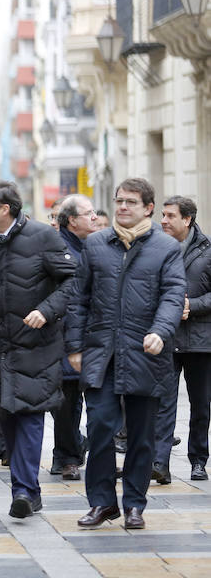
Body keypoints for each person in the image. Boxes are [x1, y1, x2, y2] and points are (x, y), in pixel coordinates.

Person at [67, 178, 186, 530]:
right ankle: (102, 503)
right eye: (119, 201)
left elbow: (173, 294)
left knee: (141, 435)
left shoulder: (166, 247)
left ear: (148, 207)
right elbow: (79, 299)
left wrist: (160, 332)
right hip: (102, 354)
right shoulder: (96, 245)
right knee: (100, 428)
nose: (122, 207)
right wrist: (75, 346)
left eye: (131, 202)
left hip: (146, 354)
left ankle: (135, 504)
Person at [0, 181, 77, 519]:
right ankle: (30, 491)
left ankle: (22, 489)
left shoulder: (44, 237)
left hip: (37, 344)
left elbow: (73, 281)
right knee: (5, 412)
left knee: (30, 412)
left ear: (5, 209)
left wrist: (47, 310)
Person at [156, 196, 211, 481]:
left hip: (201, 341)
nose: (163, 220)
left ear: (187, 220)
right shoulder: (154, 248)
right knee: (163, 402)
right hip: (164, 337)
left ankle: (198, 460)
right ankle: (160, 463)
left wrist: (193, 306)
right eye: (163, 215)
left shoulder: (208, 249)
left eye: (169, 216)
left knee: (201, 404)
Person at [50, 195, 99, 481]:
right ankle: (67, 456)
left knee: (90, 402)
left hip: (94, 336)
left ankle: (82, 454)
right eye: (88, 213)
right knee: (66, 402)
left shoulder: (96, 245)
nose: (94, 217)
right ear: (72, 220)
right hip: (65, 337)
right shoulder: (58, 250)